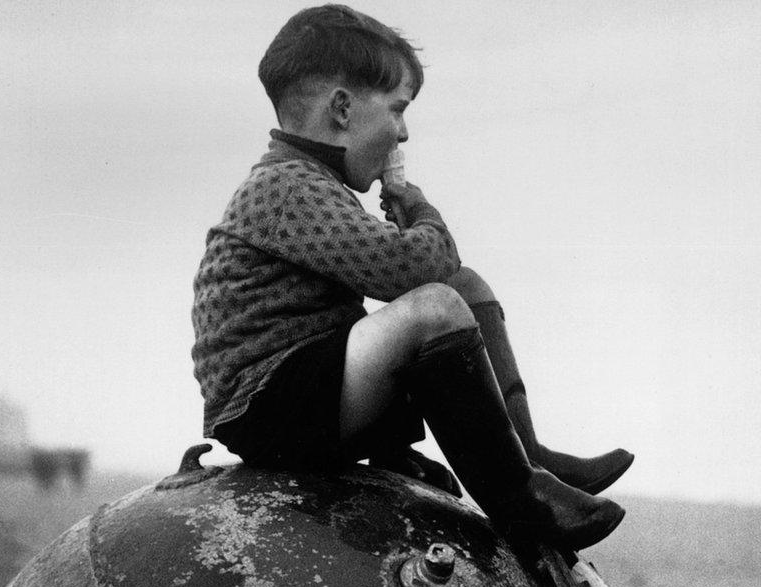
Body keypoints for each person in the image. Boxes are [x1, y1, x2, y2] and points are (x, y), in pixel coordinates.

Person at [191, 4, 632, 550]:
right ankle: (523, 503)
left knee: (464, 288)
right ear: (343, 108)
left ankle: (528, 454)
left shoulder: (309, 181)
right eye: (398, 110)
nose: (402, 134)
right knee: (436, 308)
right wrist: (414, 204)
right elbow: (413, 270)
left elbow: (424, 277)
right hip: (266, 404)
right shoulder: (286, 187)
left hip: (304, 387)